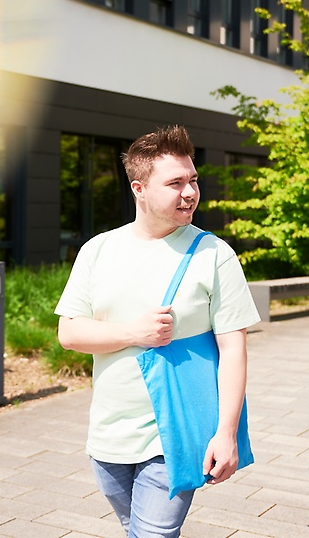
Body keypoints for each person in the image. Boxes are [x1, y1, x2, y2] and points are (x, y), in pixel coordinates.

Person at [55, 125, 260, 538]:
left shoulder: (214, 254)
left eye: (193, 180)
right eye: (175, 183)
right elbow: (70, 333)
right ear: (139, 189)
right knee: (137, 529)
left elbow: (234, 350)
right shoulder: (97, 250)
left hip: (176, 434)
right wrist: (135, 332)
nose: (190, 192)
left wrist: (225, 434)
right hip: (109, 434)